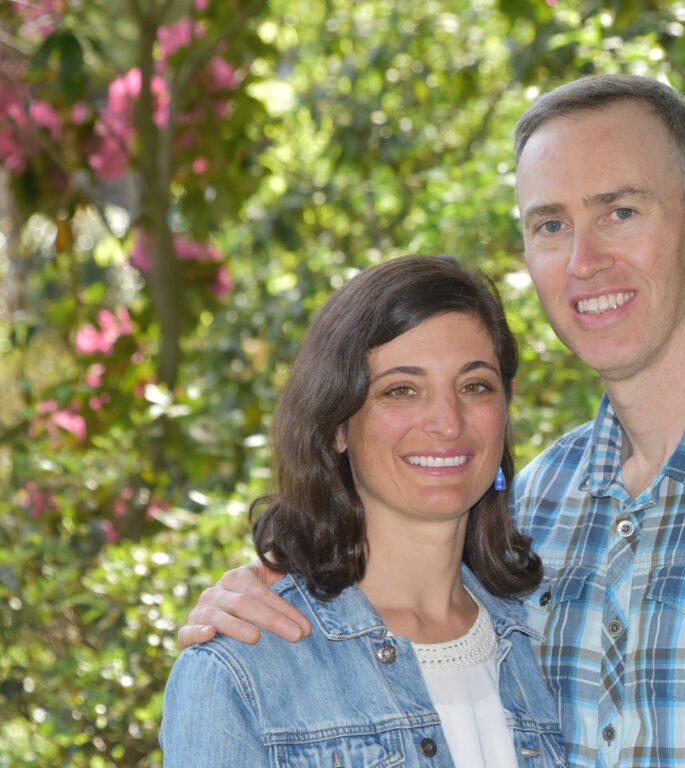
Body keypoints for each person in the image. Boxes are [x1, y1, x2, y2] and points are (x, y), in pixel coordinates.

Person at [176, 76, 685, 766]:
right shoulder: (541, 505)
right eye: (552, 225)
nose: (584, 261)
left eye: (620, 210)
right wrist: (254, 598)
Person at [161, 255, 567, 766]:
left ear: (505, 407)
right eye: (401, 390)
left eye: (474, 386)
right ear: (336, 425)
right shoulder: (245, 670)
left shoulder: (553, 642)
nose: (447, 421)